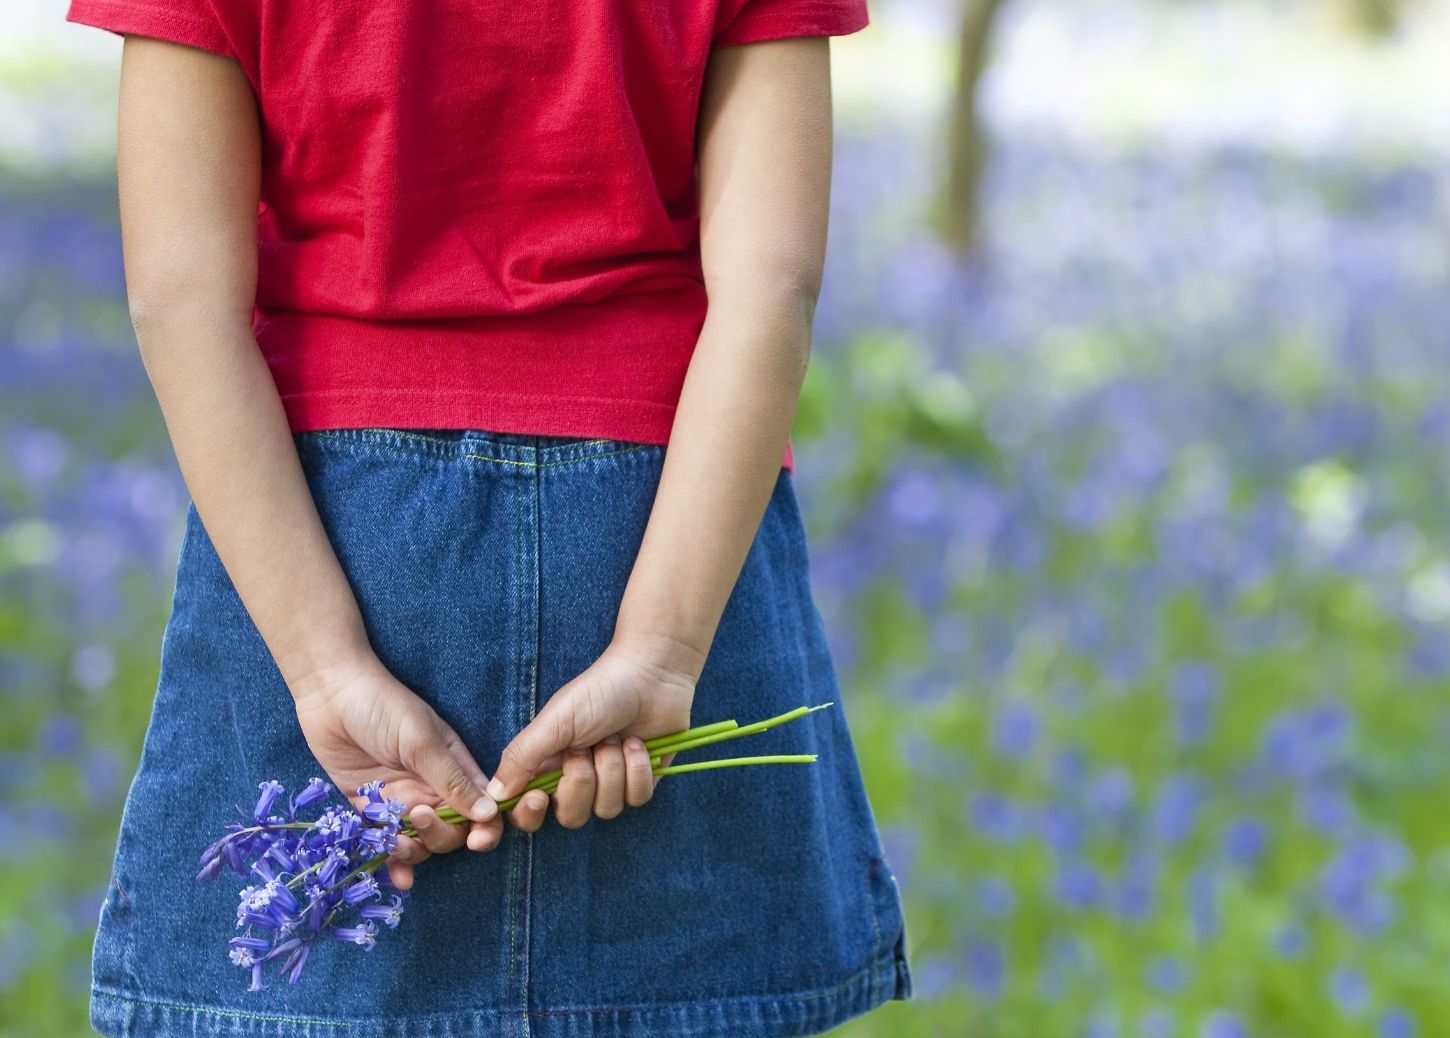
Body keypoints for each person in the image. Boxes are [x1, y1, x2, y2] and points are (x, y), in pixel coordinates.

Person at [61, 0, 914, 1034]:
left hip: (325, 527)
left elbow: (177, 296)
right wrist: (664, 643)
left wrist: (323, 666)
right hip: (668, 515)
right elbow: (769, 286)